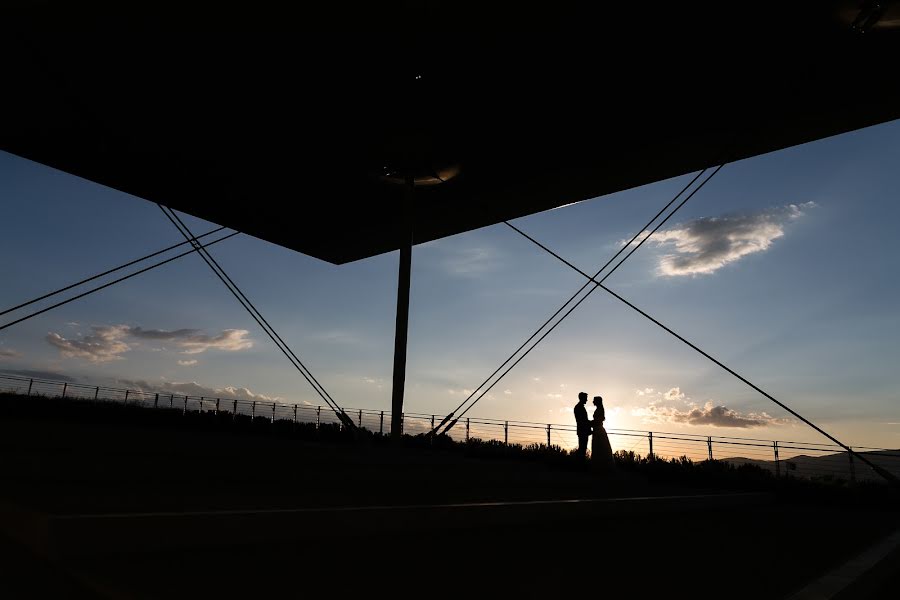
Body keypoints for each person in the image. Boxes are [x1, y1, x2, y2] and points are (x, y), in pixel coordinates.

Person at [591, 395, 614, 472]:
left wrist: (589, 423)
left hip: (598, 430)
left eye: (594, 400)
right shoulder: (600, 409)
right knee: (601, 447)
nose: (593, 402)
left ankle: (599, 467)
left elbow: (597, 421)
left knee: (598, 447)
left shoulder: (599, 409)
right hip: (598, 429)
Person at [574, 392, 591, 460]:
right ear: (582, 398)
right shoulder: (579, 407)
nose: (586, 400)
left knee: (582, 448)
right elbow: (583, 420)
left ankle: (580, 464)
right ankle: (579, 464)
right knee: (582, 448)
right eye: (586, 398)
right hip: (583, 430)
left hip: (582, 430)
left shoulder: (579, 407)